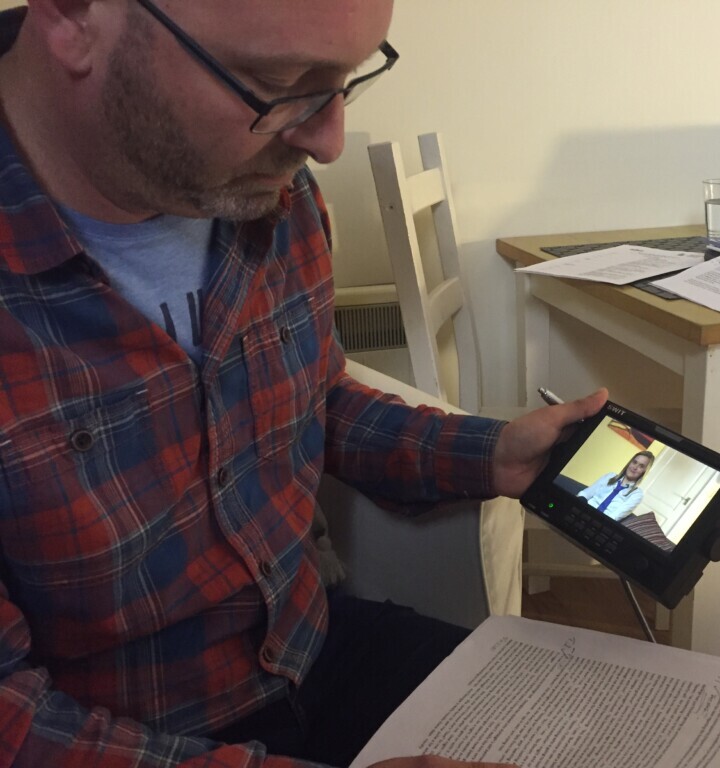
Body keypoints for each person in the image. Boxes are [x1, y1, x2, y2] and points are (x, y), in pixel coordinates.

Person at [0, 1, 607, 766]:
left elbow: (311, 397)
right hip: (124, 730)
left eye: (346, 80)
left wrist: (489, 453)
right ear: (74, 16)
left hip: (315, 653)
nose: (328, 141)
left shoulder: (267, 187)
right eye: (276, 83)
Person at [576, 451, 654, 521]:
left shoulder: (637, 494)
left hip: (601, 520)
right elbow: (585, 493)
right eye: (634, 462)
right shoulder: (610, 476)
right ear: (629, 463)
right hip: (584, 509)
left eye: (641, 466)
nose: (635, 467)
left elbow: (614, 516)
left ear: (644, 472)